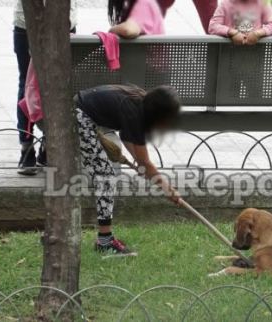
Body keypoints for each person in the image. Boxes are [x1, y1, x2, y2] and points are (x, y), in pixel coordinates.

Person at [75, 85, 182, 255]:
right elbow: (145, 161)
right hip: (78, 116)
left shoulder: (138, 101)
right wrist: (167, 189)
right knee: (105, 177)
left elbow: (127, 137)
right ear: (158, 113)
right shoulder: (135, 113)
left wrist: (140, 165)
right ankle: (105, 241)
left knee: (105, 175)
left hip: (80, 112)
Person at [13, 0, 77, 175]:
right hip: (49, 24)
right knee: (46, 85)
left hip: (47, 23)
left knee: (29, 84)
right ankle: (41, 149)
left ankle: (32, 151)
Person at [208, 0, 272, 46]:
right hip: (228, 53)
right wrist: (232, 32)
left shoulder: (262, 3)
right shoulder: (225, 3)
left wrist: (258, 34)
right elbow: (212, 26)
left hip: (255, 54)